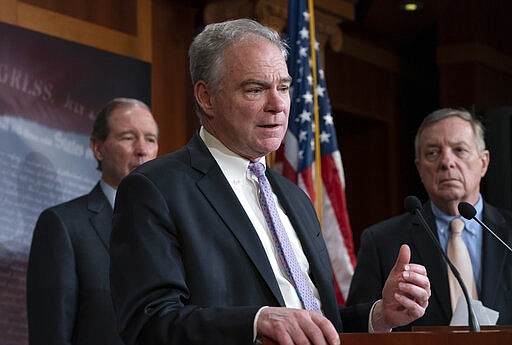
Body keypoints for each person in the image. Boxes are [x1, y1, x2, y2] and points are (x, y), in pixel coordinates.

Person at [109, 19, 430, 345]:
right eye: (255, 89)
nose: (277, 104)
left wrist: (380, 314)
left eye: (284, 87)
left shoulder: (295, 197)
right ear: (206, 97)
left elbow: (315, 319)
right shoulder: (155, 189)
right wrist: (256, 322)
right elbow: (148, 321)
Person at [346, 108, 512, 329]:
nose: (446, 162)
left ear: (484, 162)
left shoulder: (507, 234)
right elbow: (356, 327)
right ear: (420, 168)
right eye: (433, 153)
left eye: (460, 150)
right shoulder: (381, 241)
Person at [26, 97, 159, 345]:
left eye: (150, 139)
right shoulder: (63, 225)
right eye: (128, 137)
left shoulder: (174, 228)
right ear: (98, 148)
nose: (142, 149)